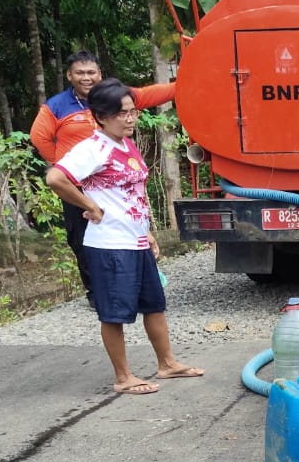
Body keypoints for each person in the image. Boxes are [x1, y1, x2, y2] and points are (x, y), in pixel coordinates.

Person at [44, 79, 203, 395]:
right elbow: (56, 178)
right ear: (101, 116)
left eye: (132, 112)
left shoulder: (125, 144)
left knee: (154, 305)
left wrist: (147, 232)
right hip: (110, 244)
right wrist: (90, 205)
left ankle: (167, 363)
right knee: (114, 312)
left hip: (136, 240)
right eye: (122, 114)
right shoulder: (93, 148)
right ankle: (123, 377)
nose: (130, 119)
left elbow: (133, 193)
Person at [30, 51, 176, 301]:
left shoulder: (117, 98)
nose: (86, 78)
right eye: (80, 73)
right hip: (77, 184)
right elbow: (39, 137)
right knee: (82, 239)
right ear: (69, 75)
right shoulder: (56, 105)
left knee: (126, 233)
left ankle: (131, 286)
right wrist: (63, 162)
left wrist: (182, 85)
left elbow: (151, 94)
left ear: (100, 73)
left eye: (91, 72)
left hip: (115, 184)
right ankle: (96, 292)